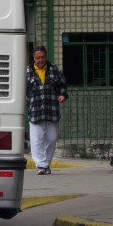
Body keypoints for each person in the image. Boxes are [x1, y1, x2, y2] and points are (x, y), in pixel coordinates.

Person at [25, 45, 68, 175]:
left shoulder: (54, 69)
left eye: (43, 57)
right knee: (37, 140)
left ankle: (46, 163)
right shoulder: (27, 71)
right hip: (35, 110)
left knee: (52, 138)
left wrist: (63, 95)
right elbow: (23, 90)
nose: (40, 60)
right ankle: (41, 165)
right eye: (38, 57)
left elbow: (62, 85)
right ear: (34, 58)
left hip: (51, 110)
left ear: (46, 56)